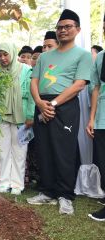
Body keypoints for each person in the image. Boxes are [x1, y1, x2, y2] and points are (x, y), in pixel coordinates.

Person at [27, 9, 92, 215]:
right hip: (43, 103)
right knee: (43, 149)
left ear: (77, 29)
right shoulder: (45, 56)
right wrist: (39, 103)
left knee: (64, 151)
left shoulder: (83, 55)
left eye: (68, 26)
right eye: (60, 27)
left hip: (64, 106)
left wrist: (52, 104)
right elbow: (34, 81)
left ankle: (65, 195)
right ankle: (47, 191)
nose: (63, 30)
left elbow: (79, 85)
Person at [0, 42, 34, 195]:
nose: (3, 58)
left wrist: (30, 115)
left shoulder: (25, 70)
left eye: (6, 54)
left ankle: (17, 184)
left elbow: (32, 94)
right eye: (0, 55)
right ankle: (4, 182)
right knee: (2, 150)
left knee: (19, 151)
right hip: (1, 115)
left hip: (21, 116)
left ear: (12, 53)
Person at [87, 49, 105, 221]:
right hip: (102, 118)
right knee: (103, 162)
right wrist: (92, 118)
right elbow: (95, 88)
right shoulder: (100, 57)